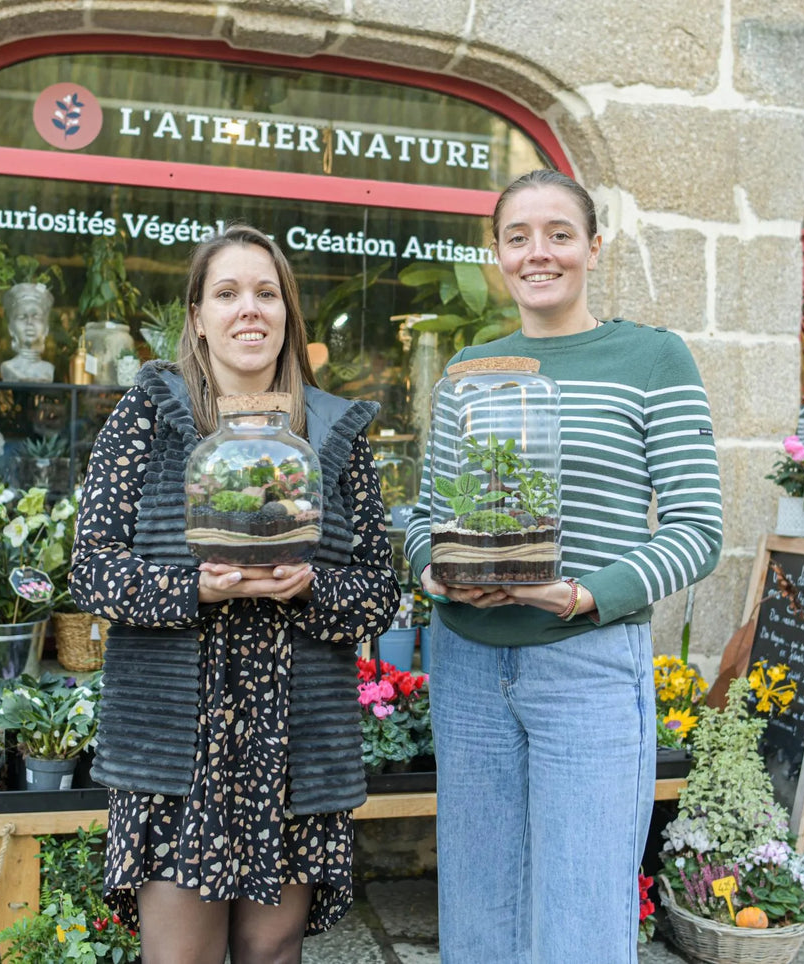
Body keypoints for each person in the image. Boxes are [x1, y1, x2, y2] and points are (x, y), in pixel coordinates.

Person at [404, 169, 724, 963]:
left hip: (585, 664)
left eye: (557, 234)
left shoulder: (650, 358)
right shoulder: (469, 371)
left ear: (592, 245)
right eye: (517, 237)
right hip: (468, 663)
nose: (536, 253)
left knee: (581, 907)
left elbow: (696, 529)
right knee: (478, 904)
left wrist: (586, 595)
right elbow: (422, 517)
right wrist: (433, 574)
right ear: (497, 254)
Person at [68, 225, 399, 964]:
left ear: (287, 313)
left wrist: (312, 587)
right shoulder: (150, 416)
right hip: (176, 745)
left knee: (271, 953)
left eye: (265, 292)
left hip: (294, 742)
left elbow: (379, 591)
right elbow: (91, 569)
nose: (248, 310)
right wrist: (194, 589)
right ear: (197, 316)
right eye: (226, 293)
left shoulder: (335, 430)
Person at [0, 281, 56, 382]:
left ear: (46, 328)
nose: (29, 323)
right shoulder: (8, 367)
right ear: (11, 329)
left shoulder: (49, 369)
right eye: (22, 317)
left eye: (36, 316)